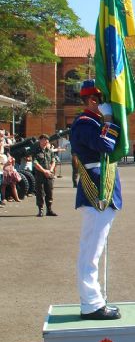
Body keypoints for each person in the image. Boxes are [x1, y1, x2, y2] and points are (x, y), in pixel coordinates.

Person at [70, 79, 123, 320]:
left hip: (103, 187)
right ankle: (91, 304)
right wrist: (110, 121)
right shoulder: (85, 123)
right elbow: (105, 145)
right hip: (96, 189)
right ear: (93, 101)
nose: (104, 106)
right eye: (102, 101)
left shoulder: (92, 122)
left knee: (95, 249)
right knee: (91, 251)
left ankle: (95, 300)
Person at [32, 134, 58, 217]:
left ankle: (49, 210)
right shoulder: (35, 151)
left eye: (47, 140)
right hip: (40, 175)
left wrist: (50, 170)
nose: (46, 141)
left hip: (49, 175)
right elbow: (35, 163)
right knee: (40, 192)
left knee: (49, 192)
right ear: (40, 140)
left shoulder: (49, 151)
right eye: (44, 139)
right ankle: (41, 210)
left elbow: (53, 161)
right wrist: (44, 171)